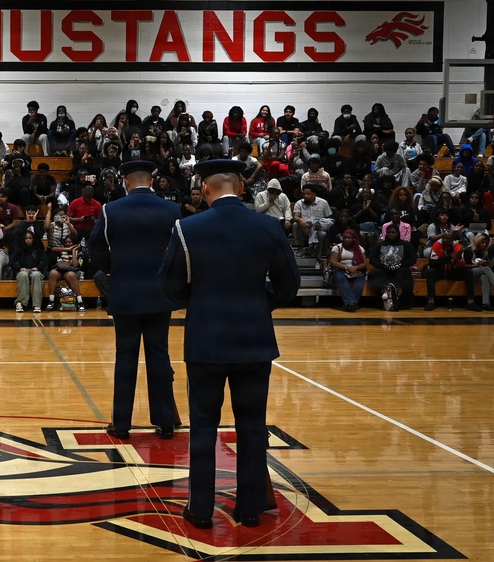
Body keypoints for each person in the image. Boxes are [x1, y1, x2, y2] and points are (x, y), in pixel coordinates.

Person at [159, 158, 300, 530]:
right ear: (241, 186)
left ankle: (200, 509)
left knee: (203, 426)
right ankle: (250, 507)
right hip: (254, 340)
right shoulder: (268, 226)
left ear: (205, 189)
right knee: (252, 426)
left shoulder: (188, 228)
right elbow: (289, 285)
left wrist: (202, 300)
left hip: (206, 340)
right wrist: (257, 301)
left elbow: (170, 285)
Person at [88, 160, 181, 441]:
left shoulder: (111, 210)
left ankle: (121, 423)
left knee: (125, 357)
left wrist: (115, 269)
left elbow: (95, 248)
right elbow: (181, 249)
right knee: (159, 356)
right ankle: (165, 422)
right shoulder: (172, 209)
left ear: (126, 182)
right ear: (151, 181)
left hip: (125, 293)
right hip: (160, 294)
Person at [368, 222, 419, 311]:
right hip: (383, 269)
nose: (391, 234)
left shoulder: (406, 244)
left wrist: (400, 265)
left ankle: (404, 301)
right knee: (374, 273)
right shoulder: (379, 245)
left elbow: (412, 259)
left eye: (393, 232)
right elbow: (372, 259)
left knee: (405, 273)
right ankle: (382, 300)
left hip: (399, 269)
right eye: (389, 232)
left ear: (398, 233)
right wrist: (383, 265)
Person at [423, 232, 477, 311]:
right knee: (430, 272)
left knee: (468, 272)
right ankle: (431, 302)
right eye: (444, 238)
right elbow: (433, 263)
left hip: (452, 271)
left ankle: (471, 302)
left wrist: (458, 258)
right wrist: (450, 256)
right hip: (440, 271)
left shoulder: (457, 246)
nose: (445, 240)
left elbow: (461, 266)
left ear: (452, 239)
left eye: (448, 238)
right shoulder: (437, 245)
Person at [329, 229, 368, 311]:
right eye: (345, 238)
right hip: (341, 269)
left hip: (357, 270)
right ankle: (352, 303)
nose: (346, 239)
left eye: (349, 238)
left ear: (354, 239)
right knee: (341, 279)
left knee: (359, 285)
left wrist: (356, 267)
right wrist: (346, 267)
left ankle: (350, 304)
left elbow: (364, 264)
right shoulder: (337, 248)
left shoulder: (360, 249)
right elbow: (333, 262)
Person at [11, 230, 48, 313]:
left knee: (36, 275)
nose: (28, 240)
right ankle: (20, 302)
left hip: (35, 270)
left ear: (33, 239)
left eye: (30, 238)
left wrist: (38, 268)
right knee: (23, 275)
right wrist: (19, 268)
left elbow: (45, 261)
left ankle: (37, 304)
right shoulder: (19, 250)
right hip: (22, 270)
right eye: (26, 238)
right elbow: (12, 261)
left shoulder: (39, 250)